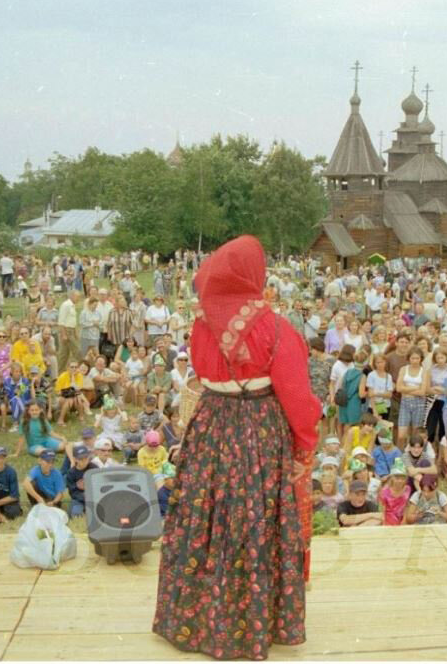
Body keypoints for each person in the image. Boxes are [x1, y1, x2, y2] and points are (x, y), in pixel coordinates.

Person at [153, 235, 320, 661]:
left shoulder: (200, 326)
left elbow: (204, 375)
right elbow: (298, 399)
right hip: (259, 433)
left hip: (211, 427)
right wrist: (305, 446)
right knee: (254, 520)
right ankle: (252, 622)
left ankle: (193, 618)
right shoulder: (279, 330)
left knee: (204, 517)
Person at [65, 444, 95, 517]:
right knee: (75, 513)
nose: (84, 461)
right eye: (81, 459)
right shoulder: (71, 473)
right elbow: (72, 492)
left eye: (86, 458)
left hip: (95, 497)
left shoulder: (94, 468)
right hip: (79, 500)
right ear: (75, 459)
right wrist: (83, 496)